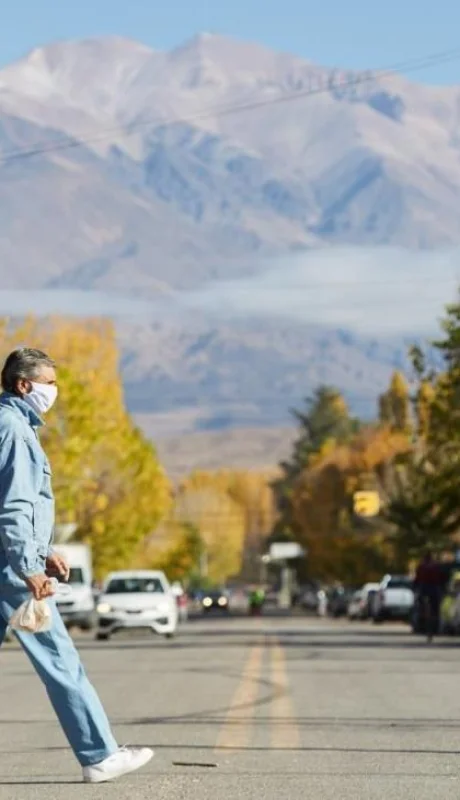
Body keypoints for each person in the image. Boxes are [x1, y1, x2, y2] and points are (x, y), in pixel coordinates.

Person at [0, 347, 153, 783]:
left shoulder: (11, 425)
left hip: (11, 560)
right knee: (60, 661)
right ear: (23, 384)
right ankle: (99, 755)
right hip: (13, 572)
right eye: (49, 383)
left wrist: (44, 549)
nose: (55, 391)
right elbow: (14, 507)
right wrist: (30, 566)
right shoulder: (13, 429)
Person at [413, 550, 444, 640]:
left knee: (421, 605)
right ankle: (434, 622)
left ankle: (423, 616)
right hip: (434, 588)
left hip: (424, 588)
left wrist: (414, 587)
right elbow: (441, 577)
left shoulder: (421, 566)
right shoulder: (436, 566)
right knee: (435, 609)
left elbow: (417, 579)